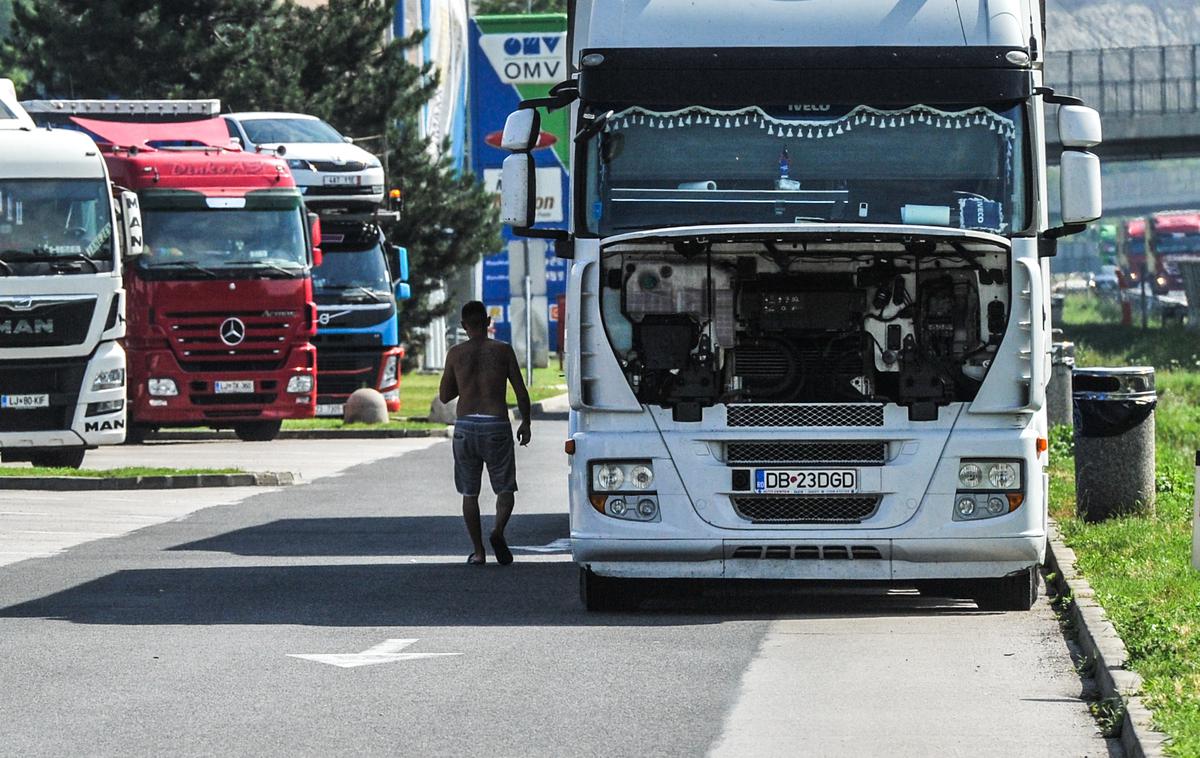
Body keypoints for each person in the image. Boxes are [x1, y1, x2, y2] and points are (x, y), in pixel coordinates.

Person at [439, 301, 532, 565]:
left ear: (463, 326)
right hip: (496, 425)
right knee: (505, 488)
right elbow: (520, 391)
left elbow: (445, 396)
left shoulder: (456, 354)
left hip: (465, 426)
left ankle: (478, 552)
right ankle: (498, 530)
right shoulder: (502, 351)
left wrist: (466, 383)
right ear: (488, 323)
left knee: (470, 493)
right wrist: (526, 422)